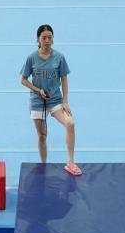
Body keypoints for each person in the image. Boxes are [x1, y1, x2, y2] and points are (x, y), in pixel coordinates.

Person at [20, 24, 81, 176]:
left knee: (70, 123)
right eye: (44, 38)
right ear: (38, 39)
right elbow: (23, 80)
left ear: (53, 38)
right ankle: (44, 165)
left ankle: (71, 163)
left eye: (50, 37)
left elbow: (64, 79)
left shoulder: (59, 57)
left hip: (55, 101)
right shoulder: (31, 58)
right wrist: (37, 90)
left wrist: (65, 101)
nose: (47, 40)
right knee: (42, 136)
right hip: (38, 102)